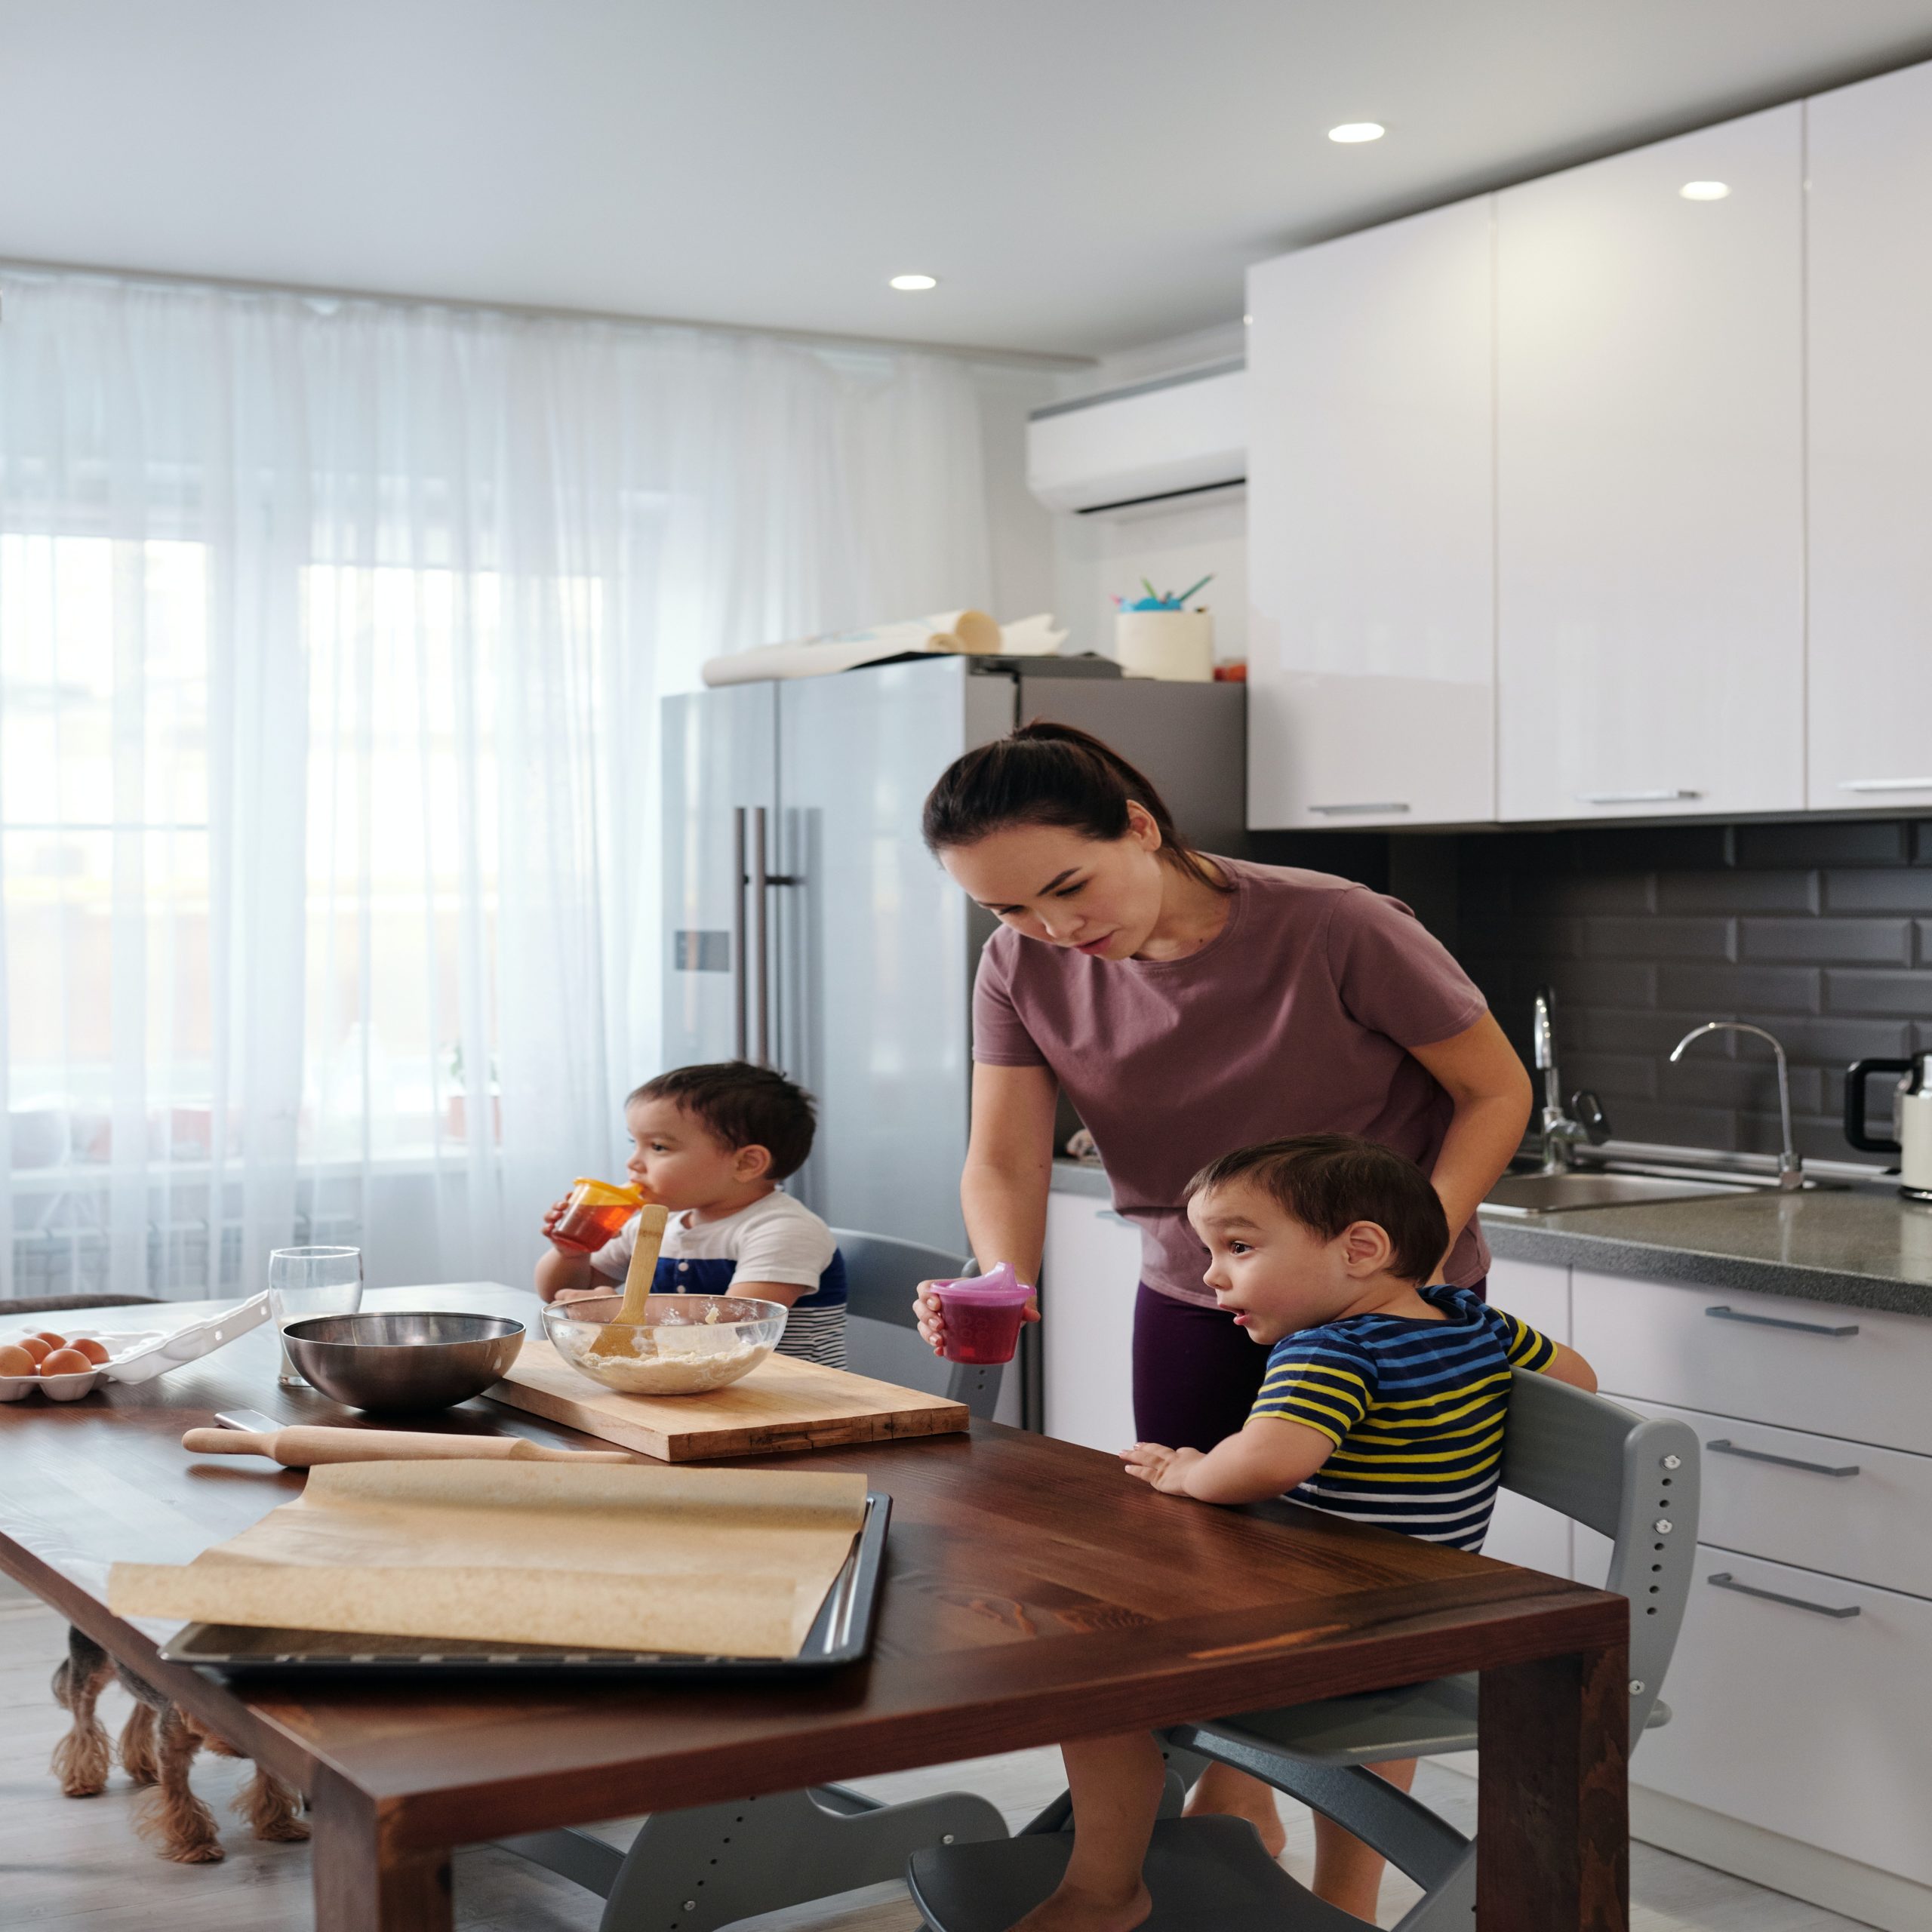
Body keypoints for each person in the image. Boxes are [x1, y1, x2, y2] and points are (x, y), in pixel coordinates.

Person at [912, 721, 1534, 1851]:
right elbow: (1003, 1154)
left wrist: (1407, 1265)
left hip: (1381, 1309)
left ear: (1141, 829)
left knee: (1366, 1610)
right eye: (1009, 911)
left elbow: (1494, 1091)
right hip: (1199, 1299)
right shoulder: (1023, 966)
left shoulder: (1336, 923)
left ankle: (1350, 1886)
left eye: (1068, 887)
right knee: (1184, 1592)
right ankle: (1233, 1816)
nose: (1056, 930)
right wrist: (1000, 1281)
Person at [1012, 1135, 1597, 1932]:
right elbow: (1578, 1380)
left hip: (1336, 1633)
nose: (1212, 1274)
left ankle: (1104, 1888)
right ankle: (1346, 1898)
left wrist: (1186, 1469)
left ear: (1360, 1249)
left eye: (1239, 1246)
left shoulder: (1329, 1349)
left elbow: (1267, 1465)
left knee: (1092, 1675)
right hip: (1430, 1626)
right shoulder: (1473, 1320)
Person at [535, 1062, 848, 1367]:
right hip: (688, 1383)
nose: (633, 1163)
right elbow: (558, 1294)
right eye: (635, 1143)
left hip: (792, 1398)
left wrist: (614, 1309)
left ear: (746, 1164)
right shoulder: (654, 1226)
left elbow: (736, 1324)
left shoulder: (784, 1230)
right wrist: (572, 1253)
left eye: (658, 1147)